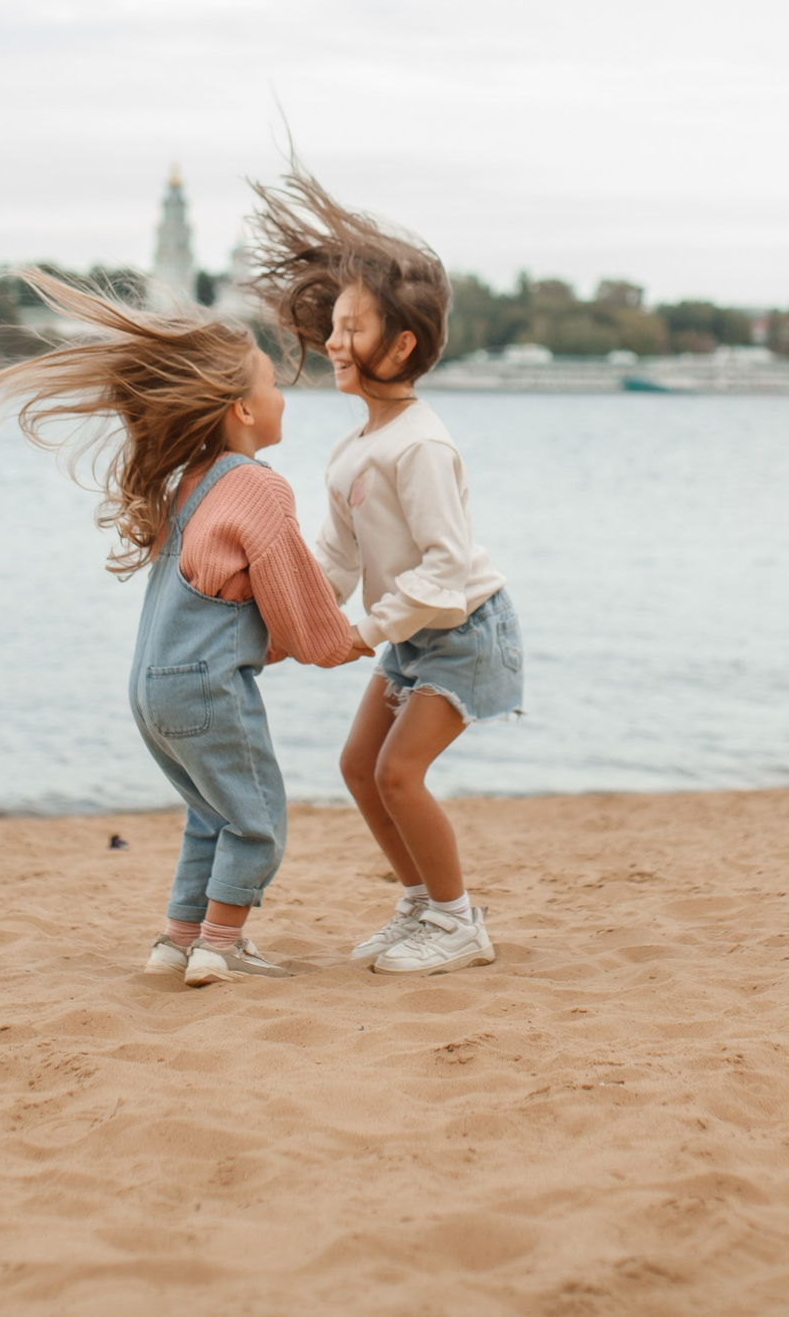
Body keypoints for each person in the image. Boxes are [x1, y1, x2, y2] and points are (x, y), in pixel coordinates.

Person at [0, 268, 368, 988]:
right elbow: (295, 599)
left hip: (149, 689)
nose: (285, 395)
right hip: (204, 690)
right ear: (243, 411)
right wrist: (346, 638)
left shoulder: (190, 483)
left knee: (209, 814)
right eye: (273, 384)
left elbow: (242, 603)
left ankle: (176, 940)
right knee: (257, 819)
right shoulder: (255, 485)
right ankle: (220, 949)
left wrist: (296, 638)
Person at [245, 170, 522, 976]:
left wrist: (363, 630)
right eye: (331, 326)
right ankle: (418, 904)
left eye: (351, 328)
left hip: (464, 631)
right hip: (413, 632)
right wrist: (292, 625)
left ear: (400, 346)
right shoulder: (353, 448)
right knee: (357, 769)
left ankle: (457, 919)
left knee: (400, 773)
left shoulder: (421, 445)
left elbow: (444, 566)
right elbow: (335, 557)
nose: (332, 342)